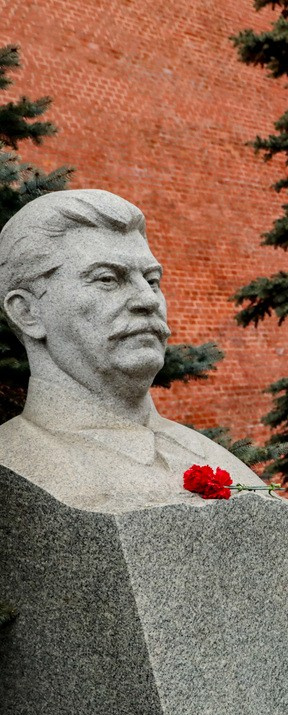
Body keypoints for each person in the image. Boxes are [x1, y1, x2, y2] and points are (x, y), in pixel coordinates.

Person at [0, 189, 264, 512]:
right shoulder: (13, 463)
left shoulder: (218, 462)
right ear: (28, 312)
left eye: (152, 280)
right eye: (108, 279)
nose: (148, 300)